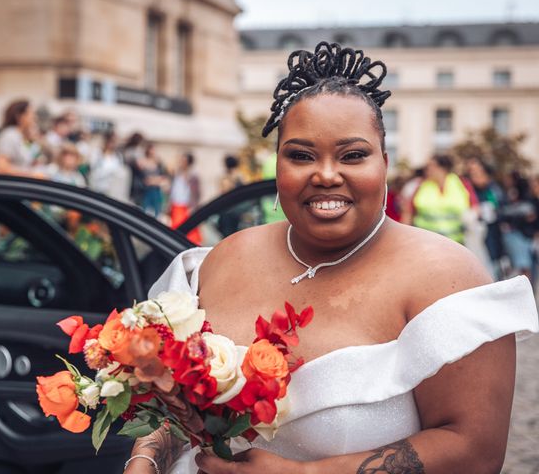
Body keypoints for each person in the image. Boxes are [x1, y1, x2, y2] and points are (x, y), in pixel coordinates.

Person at [124, 42, 538, 474]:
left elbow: (475, 450)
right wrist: (147, 456)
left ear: (385, 163)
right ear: (278, 165)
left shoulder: (450, 279)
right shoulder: (222, 259)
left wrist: (306, 473)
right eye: (301, 156)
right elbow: (174, 405)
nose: (324, 174)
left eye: (353, 155)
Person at [401, 154, 478, 245]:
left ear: (443, 168)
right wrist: (403, 238)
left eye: (431, 166)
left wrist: (472, 217)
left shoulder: (461, 183)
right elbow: (408, 212)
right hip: (426, 242)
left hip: (455, 242)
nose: (427, 170)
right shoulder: (421, 185)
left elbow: (475, 206)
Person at [0, 99, 41, 176]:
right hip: (13, 185)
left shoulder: (23, 137)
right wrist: (31, 174)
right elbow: (1, 167)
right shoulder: (10, 135)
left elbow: (33, 159)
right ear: (19, 116)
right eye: (31, 113)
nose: (34, 117)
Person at [89, 131, 132, 202]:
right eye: (112, 141)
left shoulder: (118, 156)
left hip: (112, 192)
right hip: (97, 188)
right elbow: (93, 169)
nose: (113, 144)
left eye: (115, 142)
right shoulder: (97, 153)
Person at [169, 152, 201, 245]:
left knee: (188, 231)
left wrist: (193, 206)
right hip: (176, 205)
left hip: (186, 206)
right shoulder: (178, 173)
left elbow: (196, 193)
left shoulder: (193, 176)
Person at [138, 143, 168, 217]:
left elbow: (163, 177)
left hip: (156, 191)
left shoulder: (158, 162)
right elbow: (144, 179)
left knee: (157, 213)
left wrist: (153, 180)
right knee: (144, 212)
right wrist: (154, 180)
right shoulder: (142, 161)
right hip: (146, 191)